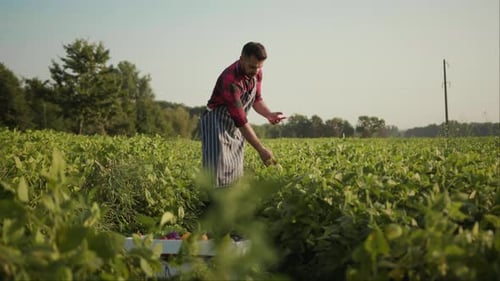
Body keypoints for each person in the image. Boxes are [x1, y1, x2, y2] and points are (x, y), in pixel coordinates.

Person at [200, 42, 285, 187]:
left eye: (259, 67)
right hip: (216, 124)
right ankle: (211, 207)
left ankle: (232, 205)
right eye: (252, 67)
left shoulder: (256, 72)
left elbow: (256, 99)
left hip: (236, 126)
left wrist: (268, 114)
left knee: (234, 173)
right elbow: (241, 120)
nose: (256, 71)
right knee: (216, 173)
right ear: (241, 59)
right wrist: (261, 150)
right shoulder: (230, 80)